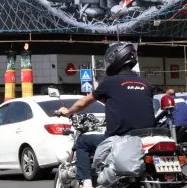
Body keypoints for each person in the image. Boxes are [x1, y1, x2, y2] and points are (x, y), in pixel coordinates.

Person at [58, 43, 154, 188]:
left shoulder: (109, 83)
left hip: (119, 139)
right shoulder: (146, 84)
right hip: (145, 138)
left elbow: (85, 102)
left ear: (115, 59)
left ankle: (86, 182)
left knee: (82, 141)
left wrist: (68, 112)